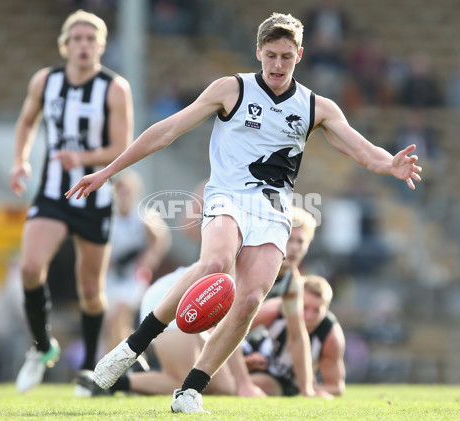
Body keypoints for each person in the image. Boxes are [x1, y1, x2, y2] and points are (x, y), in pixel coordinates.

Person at [66, 12, 421, 413]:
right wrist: (110, 171)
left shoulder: (315, 107)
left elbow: (361, 149)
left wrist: (390, 164)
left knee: (250, 299)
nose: (277, 65)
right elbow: (167, 130)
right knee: (215, 261)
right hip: (227, 195)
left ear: (300, 55)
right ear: (258, 52)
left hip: (273, 210)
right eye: (270, 55)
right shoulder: (231, 89)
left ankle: (191, 390)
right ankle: (129, 349)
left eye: (286, 56)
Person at [9, 10, 133, 394]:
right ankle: (42, 348)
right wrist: (20, 161)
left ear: (101, 46)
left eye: (91, 39)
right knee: (29, 268)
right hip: (52, 193)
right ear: (65, 44)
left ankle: (92, 368)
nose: (84, 45)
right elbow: (27, 121)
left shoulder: (114, 88)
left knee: (91, 292)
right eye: (77, 38)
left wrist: (81, 159)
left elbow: (121, 148)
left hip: (94, 198)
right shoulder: (46, 81)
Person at [77, 206, 319, 398]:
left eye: (301, 241)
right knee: (182, 380)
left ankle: (127, 378)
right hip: (168, 297)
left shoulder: (292, 284)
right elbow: (224, 326)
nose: (295, 247)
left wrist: (307, 388)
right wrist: (245, 383)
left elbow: (298, 337)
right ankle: (104, 383)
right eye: (291, 239)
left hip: (200, 318)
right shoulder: (243, 265)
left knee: (222, 387)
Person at [243, 275, 346, 397]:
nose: (309, 317)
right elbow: (232, 331)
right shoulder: (274, 310)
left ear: (326, 309)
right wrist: (244, 362)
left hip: (281, 382)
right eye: (304, 308)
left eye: (316, 310)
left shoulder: (331, 337)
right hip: (250, 353)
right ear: (294, 302)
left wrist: (311, 389)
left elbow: (336, 387)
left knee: (265, 386)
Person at [103, 170, 171, 352]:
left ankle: (110, 365)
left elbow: (161, 239)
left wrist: (147, 261)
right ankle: (134, 357)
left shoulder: (143, 216)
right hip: (113, 276)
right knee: (116, 326)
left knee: (117, 318)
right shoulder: (109, 217)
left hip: (133, 277)